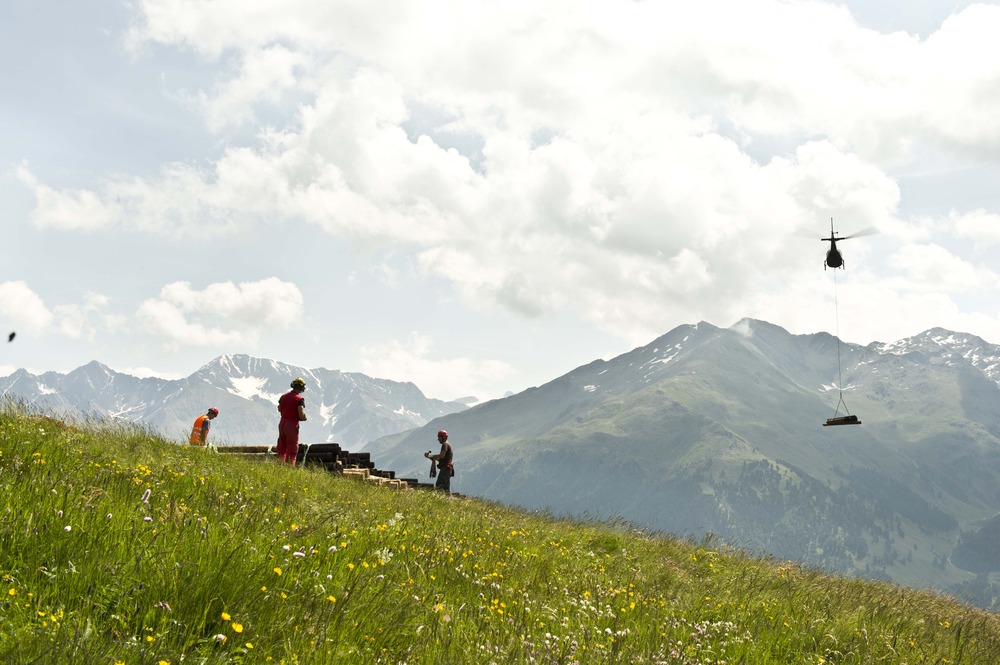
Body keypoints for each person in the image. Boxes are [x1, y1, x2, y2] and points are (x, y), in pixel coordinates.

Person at [277, 377, 307, 466]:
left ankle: (279, 467)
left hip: (282, 423)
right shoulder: (299, 399)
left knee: (281, 447)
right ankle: (290, 468)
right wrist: (304, 417)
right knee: (292, 448)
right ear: (301, 387)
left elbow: (279, 408)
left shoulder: (283, 396)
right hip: (292, 425)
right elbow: (301, 412)